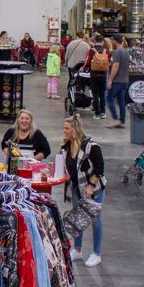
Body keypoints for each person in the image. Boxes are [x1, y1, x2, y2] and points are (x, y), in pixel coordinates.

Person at [60, 114, 105, 266]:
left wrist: (91, 186)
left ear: (75, 129)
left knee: (96, 220)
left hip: (94, 189)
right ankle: (77, 250)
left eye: (67, 128)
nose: (64, 131)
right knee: (77, 219)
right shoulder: (67, 145)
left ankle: (96, 253)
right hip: (76, 187)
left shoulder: (91, 146)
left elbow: (99, 169)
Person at [105, 35, 130, 129]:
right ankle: (122, 120)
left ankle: (115, 119)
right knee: (121, 101)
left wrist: (110, 80)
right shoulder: (126, 52)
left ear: (114, 41)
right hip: (125, 80)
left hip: (117, 80)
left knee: (108, 98)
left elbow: (115, 66)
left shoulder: (116, 52)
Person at [87, 38, 110, 120]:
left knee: (95, 95)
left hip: (94, 75)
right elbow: (109, 62)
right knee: (102, 94)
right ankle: (103, 113)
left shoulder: (91, 50)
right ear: (103, 42)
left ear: (95, 42)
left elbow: (88, 61)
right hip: (103, 75)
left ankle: (97, 113)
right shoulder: (106, 51)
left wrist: (83, 68)